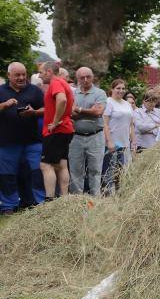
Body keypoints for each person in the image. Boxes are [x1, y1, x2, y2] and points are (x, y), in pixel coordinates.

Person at [0, 62, 45, 212]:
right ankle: (9, 205)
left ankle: (38, 203)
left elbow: (46, 109)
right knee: (7, 175)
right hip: (7, 142)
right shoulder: (1, 91)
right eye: (17, 75)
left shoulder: (35, 91)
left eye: (23, 74)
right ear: (8, 76)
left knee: (35, 173)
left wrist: (34, 112)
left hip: (32, 141)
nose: (21, 78)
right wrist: (4, 105)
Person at [68, 67, 107, 195]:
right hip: (76, 137)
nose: (85, 80)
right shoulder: (72, 93)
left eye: (88, 77)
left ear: (93, 77)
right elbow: (70, 113)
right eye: (82, 77)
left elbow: (98, 112)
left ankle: (95, 200)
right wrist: (89, 111)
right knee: (75, 169)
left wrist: (78, 110)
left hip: (95, 136)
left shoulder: (100, 93)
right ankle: (76, 201)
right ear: (77, 79)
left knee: (95, 170)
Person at [40, 61, 75, 200]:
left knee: (45, 165)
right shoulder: (63, 82)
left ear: (49, 72)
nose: (40, 76)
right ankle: (65, 199)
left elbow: (62, 100)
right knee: (61, 164)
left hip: (56, 130)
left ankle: (49, 200)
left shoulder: (55, 83)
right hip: (65, 129)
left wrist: (54, 122)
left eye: (42, 73)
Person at [102, 79, 134, 194]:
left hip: (125, 143)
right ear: (112, 89)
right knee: (109, 171)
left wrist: (133, 141)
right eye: (118, 88)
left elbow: (131, 124)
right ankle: (107, 196)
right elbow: (104, 123)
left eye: (123, 88)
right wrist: (109, 141)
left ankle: (119, 195)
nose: (121, 91)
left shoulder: (127, 104)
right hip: (112, 143)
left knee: (122, 171)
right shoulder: (108, 102)